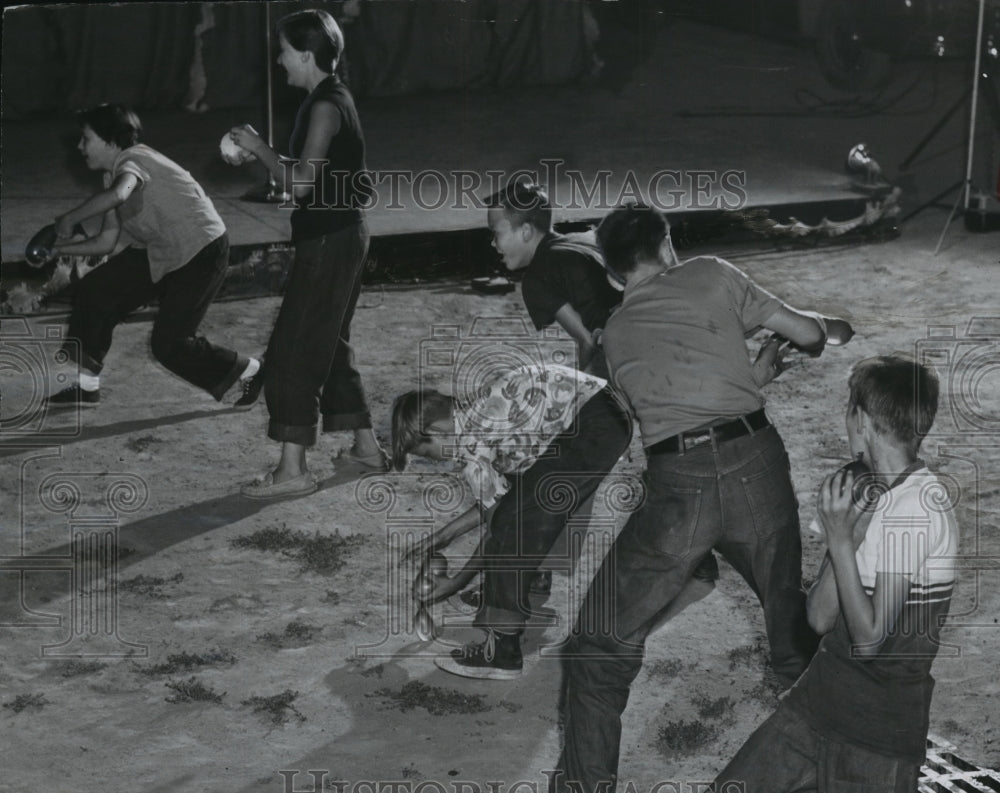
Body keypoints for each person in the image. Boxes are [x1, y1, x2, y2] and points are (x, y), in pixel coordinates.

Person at [549, 203, 831, 793]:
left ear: (614, 272)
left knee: (598, 648)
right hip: (756, 463)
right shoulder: (712, 273)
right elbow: (809, 336)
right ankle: (839, 770)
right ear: (666, 244)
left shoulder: (613, 336)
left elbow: (663, 409)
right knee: (792, 633)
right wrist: (784, 356)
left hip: (679, 488)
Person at [688, 354, 957, 793]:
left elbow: (870, 640)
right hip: (816, 708)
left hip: (876, 738)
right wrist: (847, 537)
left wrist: (837, 538)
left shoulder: (917, 509)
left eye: (848, 408)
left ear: (862, 419)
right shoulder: (862, 488)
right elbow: (818, 617)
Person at [486, 179, 718, 585]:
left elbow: (587, 341)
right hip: (661, 347)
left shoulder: (537, 277)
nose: (493, 245)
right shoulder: (583, 238)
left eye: (496, 233)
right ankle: (697, 550)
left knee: (565, 467)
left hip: (620, 362)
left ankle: (534, 570)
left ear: (525, 231)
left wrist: (586, 400)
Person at [391, 360, 632, 680]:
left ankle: (501, 649)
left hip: (592, 423)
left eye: (428, 452)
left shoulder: (473, 442)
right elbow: (500, 500)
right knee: (533, 496)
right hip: (606, 411)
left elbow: (498, 526)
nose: (435, 461)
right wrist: (441, 538)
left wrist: (456, 581)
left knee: (514, 524)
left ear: (437, 432)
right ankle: (533, 577)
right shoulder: (480, 408)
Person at [228, 8, 385, 500]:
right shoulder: (332, 97)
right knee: (330, 341)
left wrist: (259, 148)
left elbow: (299, 184)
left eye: (284, 52)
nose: (279, 61)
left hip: (330, 240)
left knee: (295, 348)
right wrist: (267, 155)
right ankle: (366, 448)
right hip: (345, 234)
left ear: (305, 54)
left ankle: (292, 471)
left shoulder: (323, 106)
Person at [43, 103, 259, 409]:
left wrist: (68, 218)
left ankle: (252, 370)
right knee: (97, 289)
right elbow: (106, 241)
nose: (80, 146)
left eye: (85, 139)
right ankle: (87, 386)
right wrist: (58, 249)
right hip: (163, 249)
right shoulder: (112, 176)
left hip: (201, 251)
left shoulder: (134, 160)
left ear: (109, 141)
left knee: (170, 345)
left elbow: (119, 195)